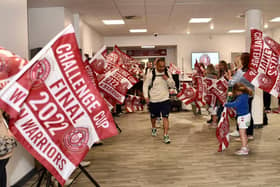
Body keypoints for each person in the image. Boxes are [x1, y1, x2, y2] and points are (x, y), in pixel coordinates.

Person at [143, 58, 175, 144]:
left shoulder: (167, 72)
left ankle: (166, 135)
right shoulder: (151, 74)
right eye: (160, 66)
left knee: (165, 117)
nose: (162, 68)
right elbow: (145, 85)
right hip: (154, 100)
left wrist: (167, 79)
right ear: (156, 65)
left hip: (165, 99)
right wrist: (146, 96)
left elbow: (173, 85)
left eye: (163, 66)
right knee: (153, 117)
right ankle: (153, 127)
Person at [228, 53, 255, 140]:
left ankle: (243, 134)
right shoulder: (252, 71)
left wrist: (229, 77)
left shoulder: (241, 72)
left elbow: (232, 83)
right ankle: (249, 133)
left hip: (242, 95)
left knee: (241, 114)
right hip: (250, 95)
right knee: (248, 113)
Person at [224, 83, 253, 155]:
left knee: (242, 134)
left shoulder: (241, 97)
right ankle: (245, 146)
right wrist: (232, 95)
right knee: (244, 133)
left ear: (238, 91)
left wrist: (226, 104)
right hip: (246, 116)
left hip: (242, 117)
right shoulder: (245, 95)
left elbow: (235, 104)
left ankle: (244, 149)